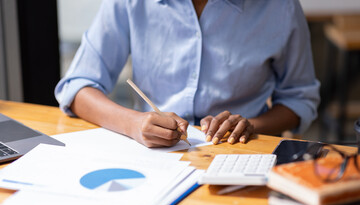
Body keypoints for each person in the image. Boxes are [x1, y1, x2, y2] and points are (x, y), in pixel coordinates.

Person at [55, 0, 320, 148]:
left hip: (237, 152)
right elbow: (77, 87)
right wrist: (133, 123)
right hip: (150, 153)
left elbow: (299, 99)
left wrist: (250, 125)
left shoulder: (280, 8)